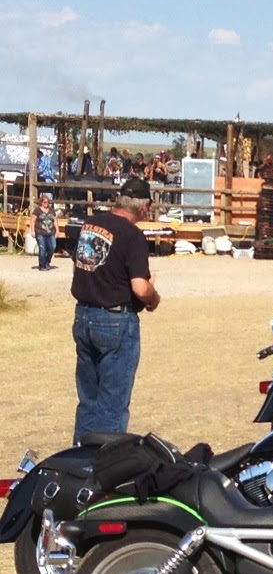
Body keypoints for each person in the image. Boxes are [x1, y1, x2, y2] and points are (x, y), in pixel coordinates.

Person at [70, 177, 161, 444]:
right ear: (144, 207)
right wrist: (154, 298)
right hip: (114, 320)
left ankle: (80, 457)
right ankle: (105, 461)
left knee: (88, 400)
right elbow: (140, 288)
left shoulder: (91, 224)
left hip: (84, 315)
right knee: (112, 404)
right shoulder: (133, 235)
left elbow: (82, 263)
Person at [33, 194, 58, 271]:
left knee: (52, 247)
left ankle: (47, 261)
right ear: (41, 202)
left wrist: (57, 230)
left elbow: (55, 221)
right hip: (40, 231)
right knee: (42, 248)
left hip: (51, 232)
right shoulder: (37, 210)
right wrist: (32, 230)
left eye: (47, 202)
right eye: (44, 202)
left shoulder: (51, 210)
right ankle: (42, 265)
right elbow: (32, 221)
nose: (46, 204)